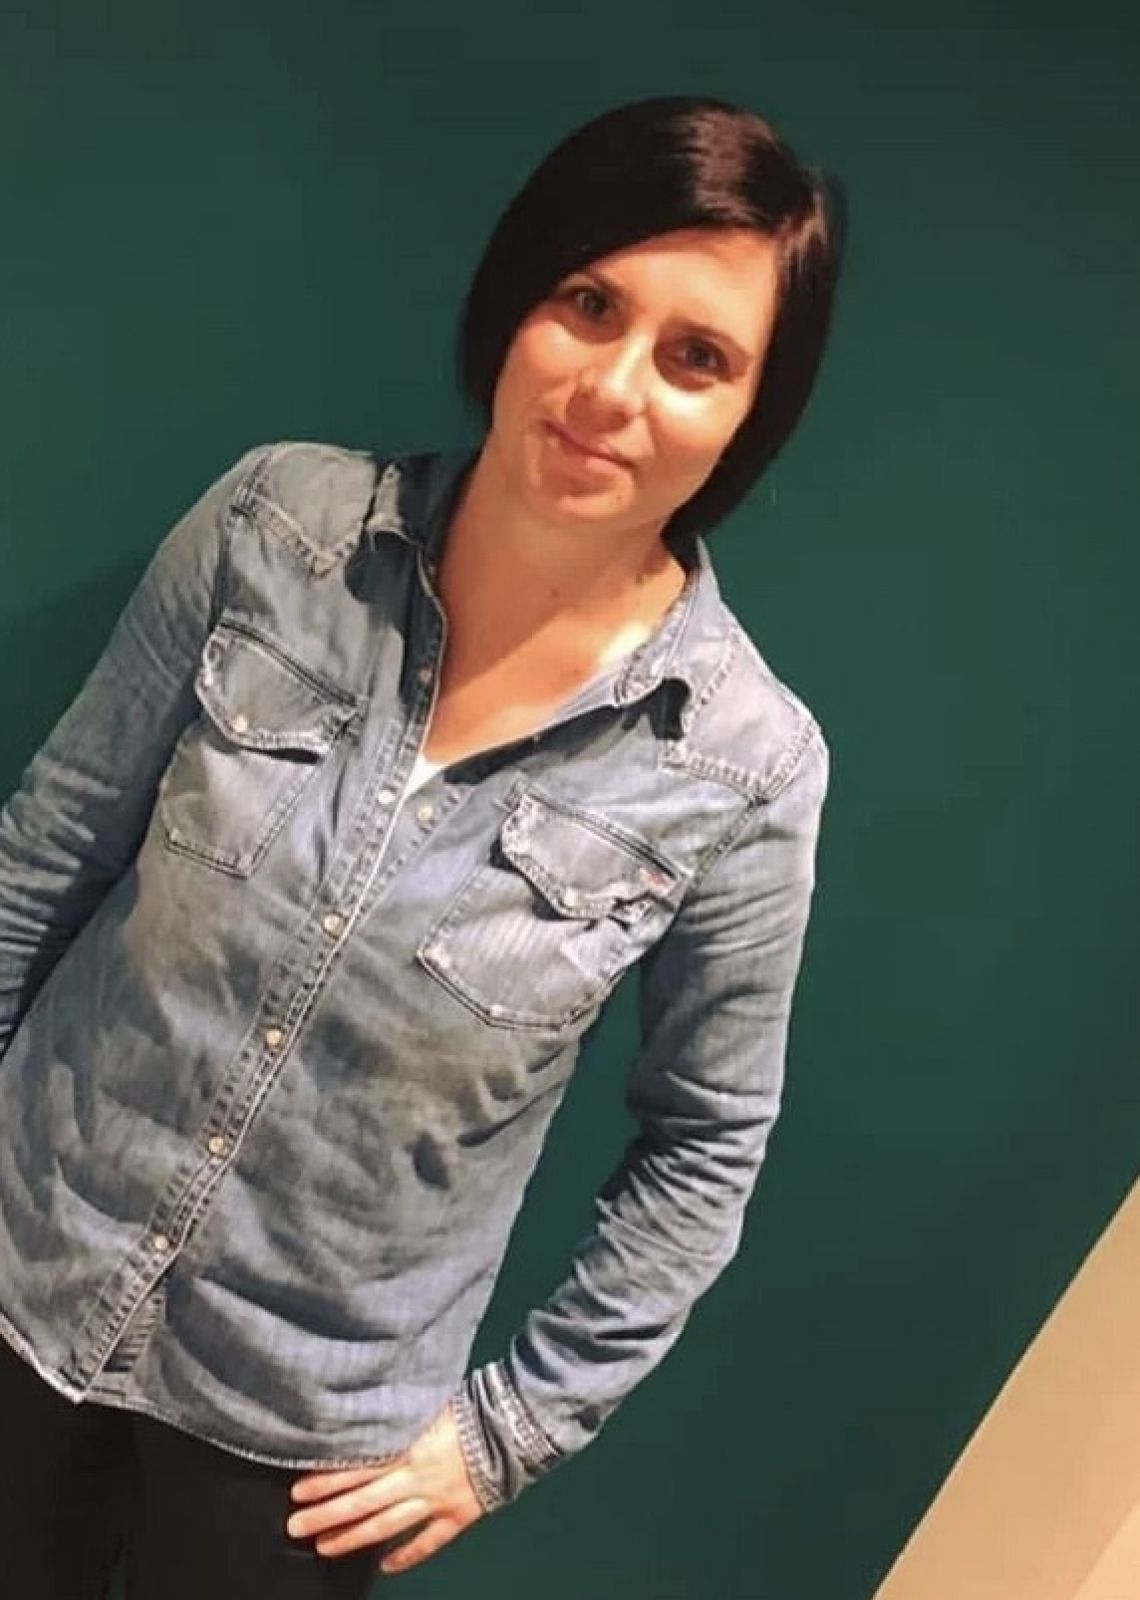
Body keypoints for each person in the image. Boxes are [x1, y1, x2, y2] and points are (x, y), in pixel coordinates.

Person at [0, 93, 845, 1597]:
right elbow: (49, 853)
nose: (612, 386)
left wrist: (510, 1433)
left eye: (696, 357)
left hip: (300, 1450)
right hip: (21, 1261)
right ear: (518, 296)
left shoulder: (744, 766)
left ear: (749, 413)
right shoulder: (280, 525)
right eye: (589, 302)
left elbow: (705, 1143)